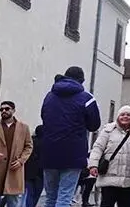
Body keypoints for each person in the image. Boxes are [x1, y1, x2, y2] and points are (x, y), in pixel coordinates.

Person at [41, 67, 101, 207]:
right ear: (82, 80)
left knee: (50, 198)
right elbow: (94, 125)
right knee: (65, 197)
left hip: (49, 152)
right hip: (73, 153)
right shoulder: (87, 98)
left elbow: (44, 117)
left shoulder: (49, 96)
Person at [88, 106, 130, 207]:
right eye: (122, 114)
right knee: (107, 203)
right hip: (109, 177)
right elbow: (97, 148)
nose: (125, 117)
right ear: (118, 116)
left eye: (129, 115)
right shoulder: (108, 130)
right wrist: (93, 165)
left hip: (128, 180)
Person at [0, 101, 34, 207]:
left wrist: (21, 161)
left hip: (13, 168)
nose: (4, 111)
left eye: (7, 109)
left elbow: (28, 146)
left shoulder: (24, 128)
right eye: (1, 109)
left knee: (13, 201)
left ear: (13, 110)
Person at [23, 126, 42, 207]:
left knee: (29, 193)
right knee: (37, 194)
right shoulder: (45, 143)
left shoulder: (29, 142)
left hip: (28, 172)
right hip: (40, 172)